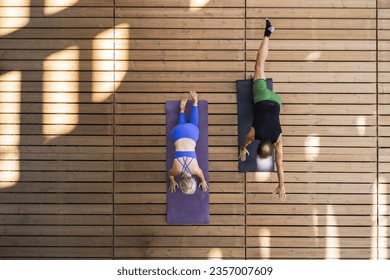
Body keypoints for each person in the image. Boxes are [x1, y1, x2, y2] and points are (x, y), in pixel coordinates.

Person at [239, 18, 286, 201]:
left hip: (276, 102)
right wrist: (243, 149)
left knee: (259, 73)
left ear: (271, 149)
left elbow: (280, 164)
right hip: (263, 98)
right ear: (259, 145)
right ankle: (268, 32)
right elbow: (245, 142)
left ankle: (256, 80)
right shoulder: (254, 134)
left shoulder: (278, 139)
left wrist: (282, 184)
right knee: (259, 64)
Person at [168, 90, 208, 194]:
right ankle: (182, 109)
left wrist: (203, 181)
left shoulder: (196, 170)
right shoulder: (176, 170)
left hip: (191, 133)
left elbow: (202, 176)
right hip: (177, 132)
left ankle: (195, 101)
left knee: (194, 124)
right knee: (182, 129)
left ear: (193, 180)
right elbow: (170, 174)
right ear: (180, 182)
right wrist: (172, 181)